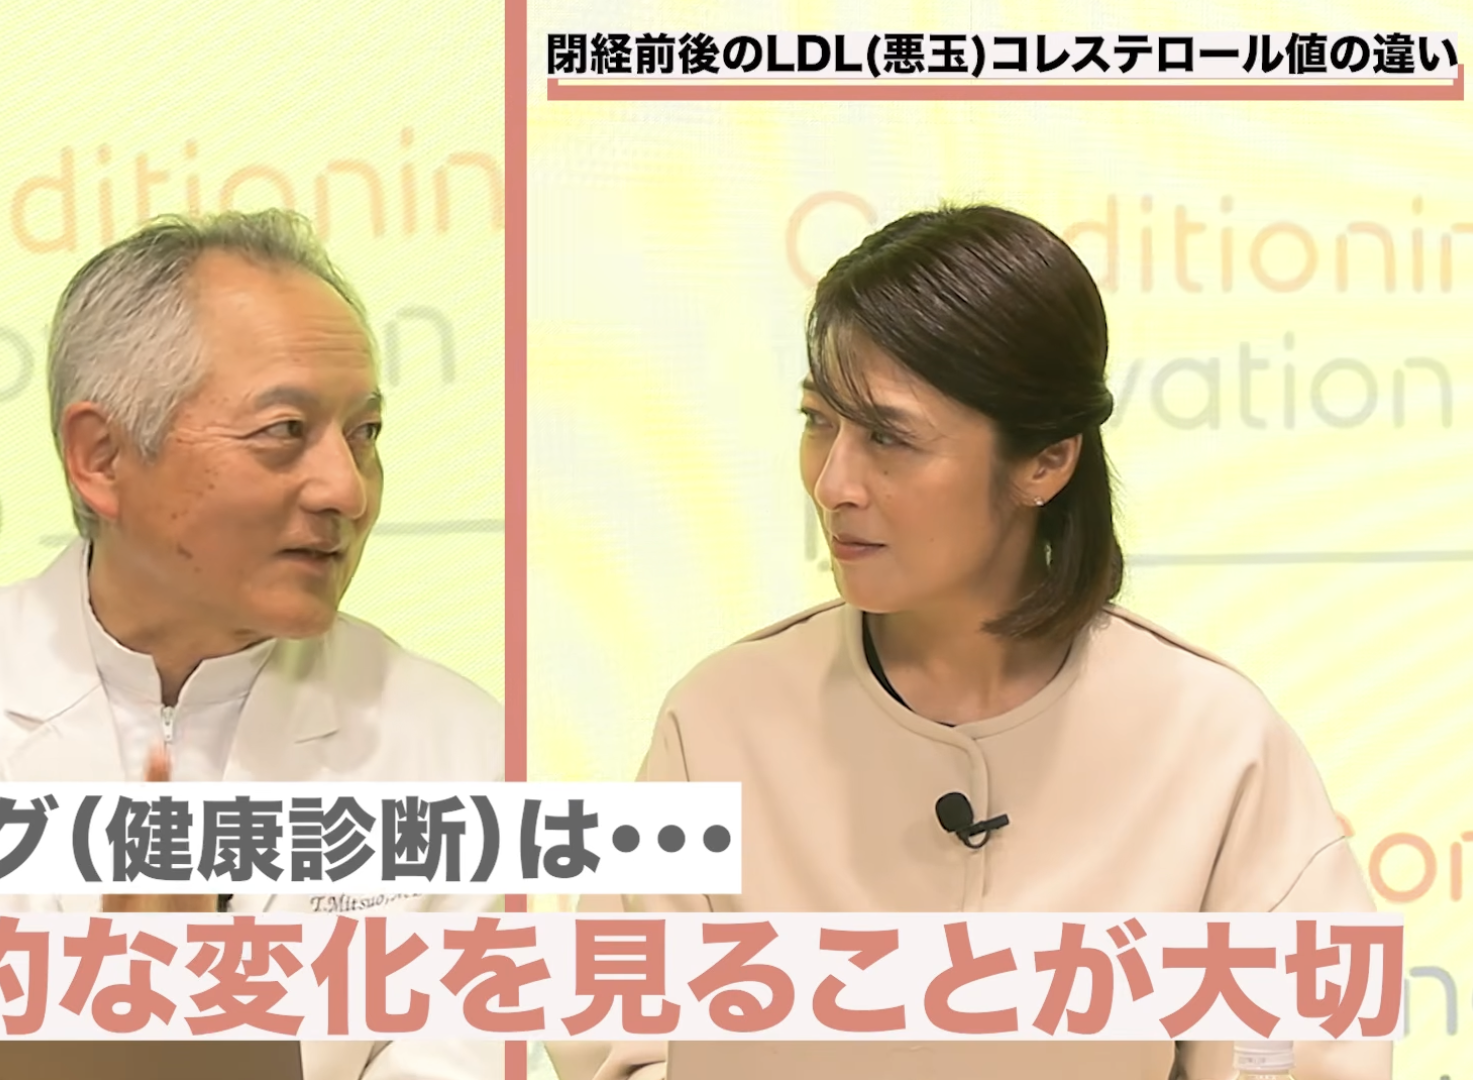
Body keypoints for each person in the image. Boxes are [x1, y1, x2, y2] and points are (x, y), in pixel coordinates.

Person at [550, 205, 1386, 1080]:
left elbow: (1304, 1054)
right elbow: (619, 1043)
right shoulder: (716, 721)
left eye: (889, 436)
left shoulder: (1215, 741)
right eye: (818, 422)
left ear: (1046, 462)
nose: (834, 482)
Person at [0, 209, 504, 1080]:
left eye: (365, 435)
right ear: (101, 457)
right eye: (285, 431)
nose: (346, 490)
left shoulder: (455, 745)